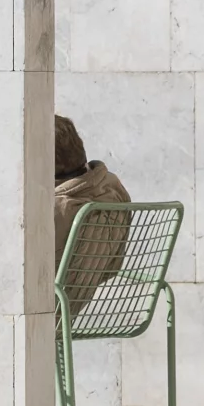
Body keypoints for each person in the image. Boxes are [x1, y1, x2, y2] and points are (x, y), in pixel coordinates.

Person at [52, 114, 133, 292]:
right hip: (72, 306)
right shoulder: (113, 189)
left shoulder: (55, 209)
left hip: (42, 310)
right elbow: (111, 269)